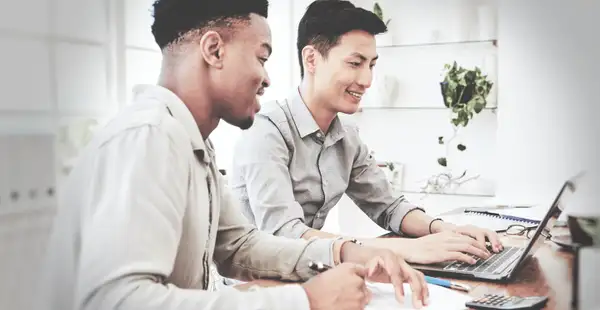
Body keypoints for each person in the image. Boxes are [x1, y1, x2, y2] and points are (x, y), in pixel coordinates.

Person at [36, 0, 431, 309]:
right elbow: (115, 302)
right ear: (214, 50)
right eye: (261, 56)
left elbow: (239, 246)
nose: (268, 77)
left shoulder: (192, 143)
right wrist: (304, 300)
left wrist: (345, 252)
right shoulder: (149, 138)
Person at [229, 0, 503, 267]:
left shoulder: (346, 136)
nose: (367, 80)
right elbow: (285, 236)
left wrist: (447, 230)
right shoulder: (266, 131)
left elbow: (390, 208)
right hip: (257, 288)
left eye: (371, 64)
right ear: (311, 59)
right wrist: (404, 249)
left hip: (316, 273)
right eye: (355, 63)